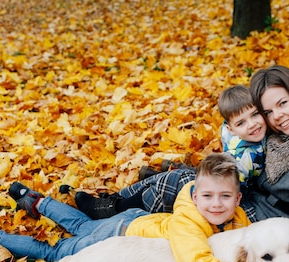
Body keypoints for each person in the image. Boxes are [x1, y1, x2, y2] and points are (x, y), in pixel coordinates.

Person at [73, 65, 289, 262]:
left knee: (190, 185)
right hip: (252, 195)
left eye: (283, 104)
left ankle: (115, 212)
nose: (276, 116)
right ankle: (113, 203)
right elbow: (240, 128)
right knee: (189, 176)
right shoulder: (282, 132)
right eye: (268, 111)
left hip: (274, 220)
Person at [0, 153, 274, 262]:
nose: (216, 204)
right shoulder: (189, 222)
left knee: (82, 225)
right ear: (194, 194)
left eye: (225, 197)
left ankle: (38, 202)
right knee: (55, 252)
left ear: (238, 198)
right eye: (208, 196)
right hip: (123, 239)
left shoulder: (237, 219)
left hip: (132, 222)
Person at [74, 84, 268, 220]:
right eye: (241, 122)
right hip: (226, 175)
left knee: (177, 181)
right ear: (231, 128)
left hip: (236, 195)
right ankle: (116, 199)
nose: (252, 125)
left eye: (255, 115)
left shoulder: (248, 158)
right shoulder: (235, 132)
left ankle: (116, 208)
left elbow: (231, 185)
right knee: (178, 176)